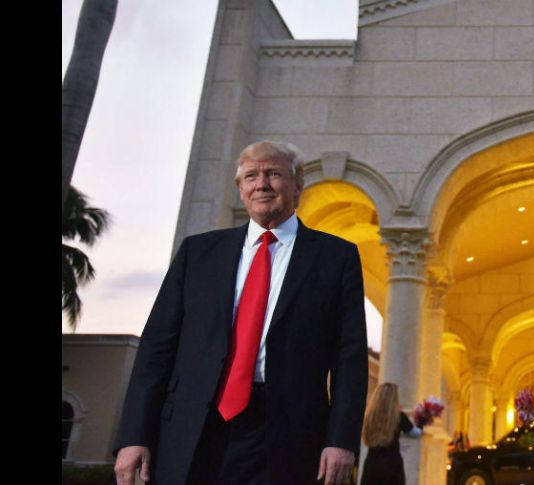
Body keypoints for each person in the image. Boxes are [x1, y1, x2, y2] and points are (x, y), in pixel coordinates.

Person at [112, 140, 369, 485]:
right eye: (251, 176)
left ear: (297, 185)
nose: (261, 184)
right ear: (240, 189)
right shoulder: (198, 253)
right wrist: (134, 435)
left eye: (273, 174)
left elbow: (349, 359)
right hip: (192, 426)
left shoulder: (336, 258)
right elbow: (156, 349)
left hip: (287, 432)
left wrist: (340, 441)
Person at [359, 383, 422, 485]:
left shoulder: (369, 415)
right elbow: (416, 433)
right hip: (392, 465)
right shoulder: (399, 416)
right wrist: (421, 421)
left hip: (371, 464)